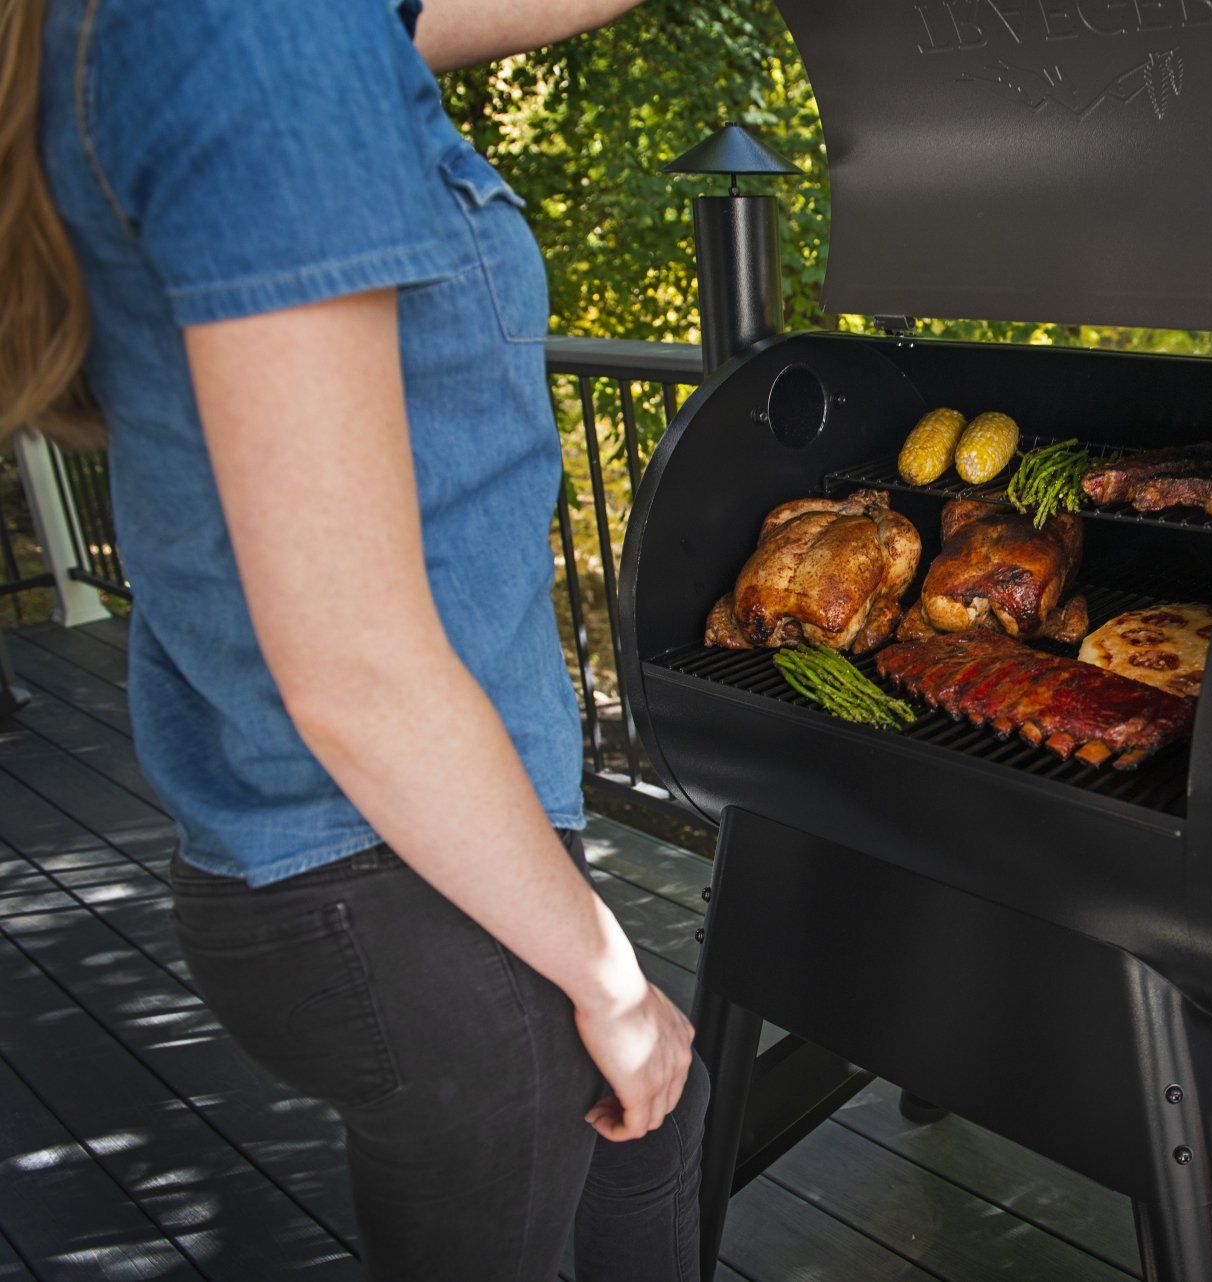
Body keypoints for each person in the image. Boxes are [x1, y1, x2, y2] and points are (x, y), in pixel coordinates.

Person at [3, 1, 704, 1278]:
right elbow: (355, 672)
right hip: (382, 882)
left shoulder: (171, 31)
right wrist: (605, 979)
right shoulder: (254, 35)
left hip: (341, 859)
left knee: (653, 1141)